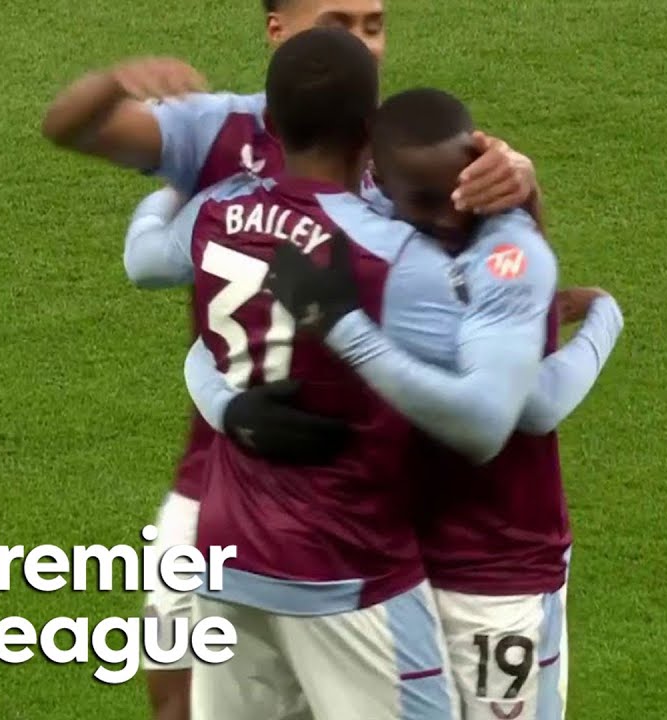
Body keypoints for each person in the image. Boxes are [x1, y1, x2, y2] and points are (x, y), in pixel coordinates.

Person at [41, 3, 543, 717]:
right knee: (175, 694)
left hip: (349, 499)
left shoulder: (414, 152)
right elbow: (73, 128)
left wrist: (519, 182)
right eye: (337, 23)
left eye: (374, 25)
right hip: (229, 487)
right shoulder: (223, 130)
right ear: (277, 29)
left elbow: (149, 258)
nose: (361, 43)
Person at [179, 88, 624, 719]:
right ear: (375, 177)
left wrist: (606, 315)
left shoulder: (500, 256)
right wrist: (231, 409)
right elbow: (214, 343)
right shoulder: (371, 240)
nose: (444, 215)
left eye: (454, 192)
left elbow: (527, 407)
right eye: (420, 197)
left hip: (488, 566)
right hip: (421, 563)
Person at [126, 27, 458, 720]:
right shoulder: (397, 255)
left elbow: (148, 261)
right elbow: (499, 393)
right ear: (370, 132)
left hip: (225, 549)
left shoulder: (217, 215)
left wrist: (225, 405)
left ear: (270, 124)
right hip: (346, 564)